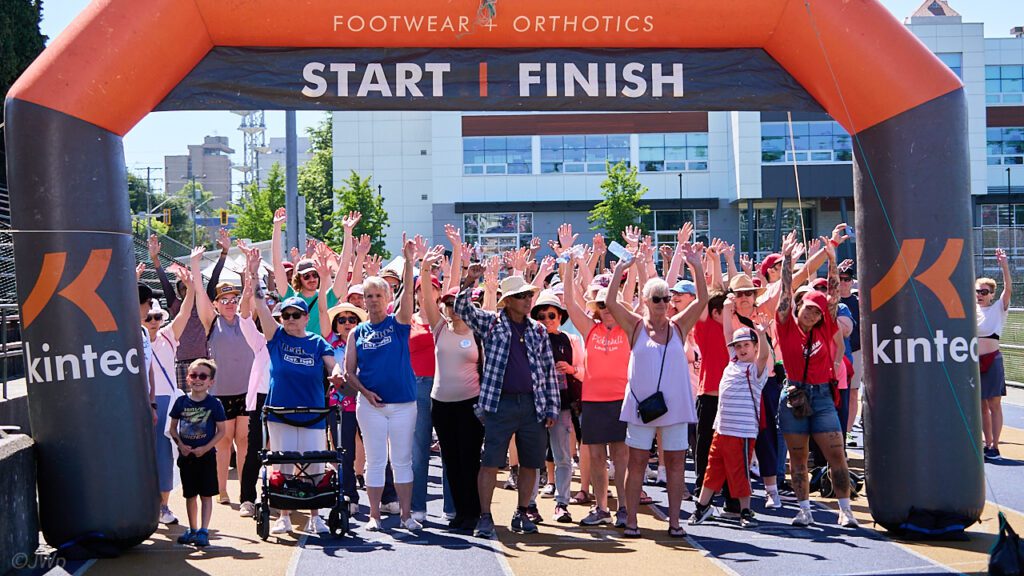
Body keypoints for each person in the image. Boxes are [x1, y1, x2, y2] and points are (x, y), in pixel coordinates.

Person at [604, 242, 706, 538]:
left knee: (675, 463)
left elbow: (701, 301)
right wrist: (621, 271)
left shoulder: (678, 326)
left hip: (674, 408)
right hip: (641, 408)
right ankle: (632, 520)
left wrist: (697, 267)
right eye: (657, 298)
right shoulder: (634, 326)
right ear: (646, 300)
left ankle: (675, 523)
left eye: (666, 298)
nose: (663, 303)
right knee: (636, 463)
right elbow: (611, 302)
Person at [454, 265, 560, 538]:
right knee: (490, 462)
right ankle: (486, 516)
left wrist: (551, 406)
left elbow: (548, 370)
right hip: (499, 404)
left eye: (528, 295)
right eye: (522, 296)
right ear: (508, 301)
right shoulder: (490, 323)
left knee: (531, 463)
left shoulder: (537, 330)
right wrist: (469, 280)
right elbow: (462, 308)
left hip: (533, 404)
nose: (528, 300)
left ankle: (522, 512)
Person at [249, 246, 342, 536]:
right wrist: (252, 275)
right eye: (286, 315)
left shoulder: (316, 341)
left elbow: (331, 365)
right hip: (281, 413)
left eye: (295, 314)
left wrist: (337, 374)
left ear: (305, 316)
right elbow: (260, 304)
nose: (289, 319)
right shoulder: (275, 338)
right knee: (285, 464)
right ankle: (284, 516)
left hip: (313, 412)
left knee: (314, 464)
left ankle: (316, 517)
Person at [775, 230, 858, 528]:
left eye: (816, 310)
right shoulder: (785, 326)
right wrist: (786, 260)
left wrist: (832, 262)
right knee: (797, 460)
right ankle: (804, 510)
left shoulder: (825, 325)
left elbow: (834, 295)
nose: (811, 313)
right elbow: (784, 292)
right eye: (807, 308)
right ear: (799, 307)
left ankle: (845, 510)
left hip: (822, 396)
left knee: (837, 454)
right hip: (794, 394)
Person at [343, 236, 422, 532]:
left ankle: (405, 515)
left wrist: (410, 262)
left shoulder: (399, 323)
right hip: (370, 406)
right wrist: (365, 392)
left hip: (403, 404)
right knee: (374, 462)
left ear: (388, 299)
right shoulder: (357, 332)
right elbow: (350, 372)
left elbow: (409, 300)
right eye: (369, 295)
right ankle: (374, 516)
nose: (373, 300)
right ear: (363, 300)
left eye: (378, 295)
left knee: (402, 460)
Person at [418, 247, 485, 532]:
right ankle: (458, 513)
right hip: (442, 405)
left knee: (469, 460)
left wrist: (471, 280)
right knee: (451, 460)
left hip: (470, 404)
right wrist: (424, 268)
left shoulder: (478, 329)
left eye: (457, 304)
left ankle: (472, 512)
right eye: (448, 304)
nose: (452, 309)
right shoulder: (439, 328)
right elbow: (425, 300)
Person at [563, 257, 631, 527]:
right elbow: (569, 302)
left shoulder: (629, 328)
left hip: (621, 400)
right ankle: (602, 508)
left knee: (621, 457)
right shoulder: (590, 329)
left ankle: (624, 508)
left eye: (610, 303)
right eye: (601, 305)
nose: (606, 309)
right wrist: (568, 266)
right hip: (593, 401)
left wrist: (629, 267)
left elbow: (628, 296)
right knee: (598, 457)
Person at [690, 305, 771, 529]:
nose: (742, 349)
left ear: (754, 347)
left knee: (739, 473)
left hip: (742, 432)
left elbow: (764, 355)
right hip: (722, 430)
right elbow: (727, 333)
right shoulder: (731, 364)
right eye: (738, 346)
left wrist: (762, 334)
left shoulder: (755, 370)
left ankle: (745, 510)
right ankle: (702, 507)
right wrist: (726, 309)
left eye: (746, 345)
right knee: (712, 469)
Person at [192, 247, 256, 505]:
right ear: (217, 303)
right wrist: (195, 265)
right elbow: (198, 292)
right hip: (220, 394)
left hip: (246, 393)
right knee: (224, 443)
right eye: (224, 300)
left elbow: (252, 293)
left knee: (244, 442)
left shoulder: (246, 319)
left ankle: (245, 493)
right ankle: (222, 491)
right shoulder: (212, 321)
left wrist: (250, 269)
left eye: (233, 299)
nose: (230, 303)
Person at [146, 268, 196, 526]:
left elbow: (186, 312)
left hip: (166, 402)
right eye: (149, 317)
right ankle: (145, 505)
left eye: (157, 317)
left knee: (165, 454)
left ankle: (163, 506)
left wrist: (191, 286)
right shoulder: (131, 337)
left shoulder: (168, 335)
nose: (153, 321)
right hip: (138, 402)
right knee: (143, 455)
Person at [149, 231, 229, 392]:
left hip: (205, 360)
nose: (187, 290)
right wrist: (155, 259)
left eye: (189, 285)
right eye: (183, 288)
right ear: (179, 291)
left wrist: (224, 253)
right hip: (182, 363)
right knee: (184, 406)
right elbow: (164, 282)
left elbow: (215, 277)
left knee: (207, 403)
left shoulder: (204, 304)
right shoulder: (177, 305)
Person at [530, 290, 580, 524]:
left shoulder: (570, 340)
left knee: (563, 457)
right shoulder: (530, 338)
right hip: (536, 404)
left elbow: (582, 369)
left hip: (562, 405)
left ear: (560, 317)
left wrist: (571, 370)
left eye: (552, 315)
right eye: (542, 316)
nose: (547, 320)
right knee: (533, 457)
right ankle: (529, 504)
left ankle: (562, 503)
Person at [169, 359, 227, 548]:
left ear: (211, 381)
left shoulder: (214, 404)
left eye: (203, 376)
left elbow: (221, 431)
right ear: (187, 378)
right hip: (187, 458)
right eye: (193, 375)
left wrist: (206, 448)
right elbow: (172, 429)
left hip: (206, 456)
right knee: (190, 495)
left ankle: (203, 530)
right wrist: (181, 445)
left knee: (206, 495)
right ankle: (192, 529)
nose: (198, 379)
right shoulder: (181, 402)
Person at [320, 300, 368, 515]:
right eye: (342, 320)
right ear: (335, 324)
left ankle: (387, 496)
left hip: (369, 401)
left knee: (379, 451)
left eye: (352, 319)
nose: (348, 323)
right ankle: (349, 495)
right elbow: (321, 310)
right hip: (340, 405)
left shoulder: (368, 341)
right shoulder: (329, 344)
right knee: (345, 452)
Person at [978, 248, 1011, 461]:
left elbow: (1008, 288)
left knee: (994, 404)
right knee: (981, 405)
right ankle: (986, 443)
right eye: (977, 291)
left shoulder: (999, 308)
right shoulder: (971, 309)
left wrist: (1004, 265)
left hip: (992, 359)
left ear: (991, 294)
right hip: (974, 360)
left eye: (983, 292)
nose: (979, 295)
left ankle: (995, 446)